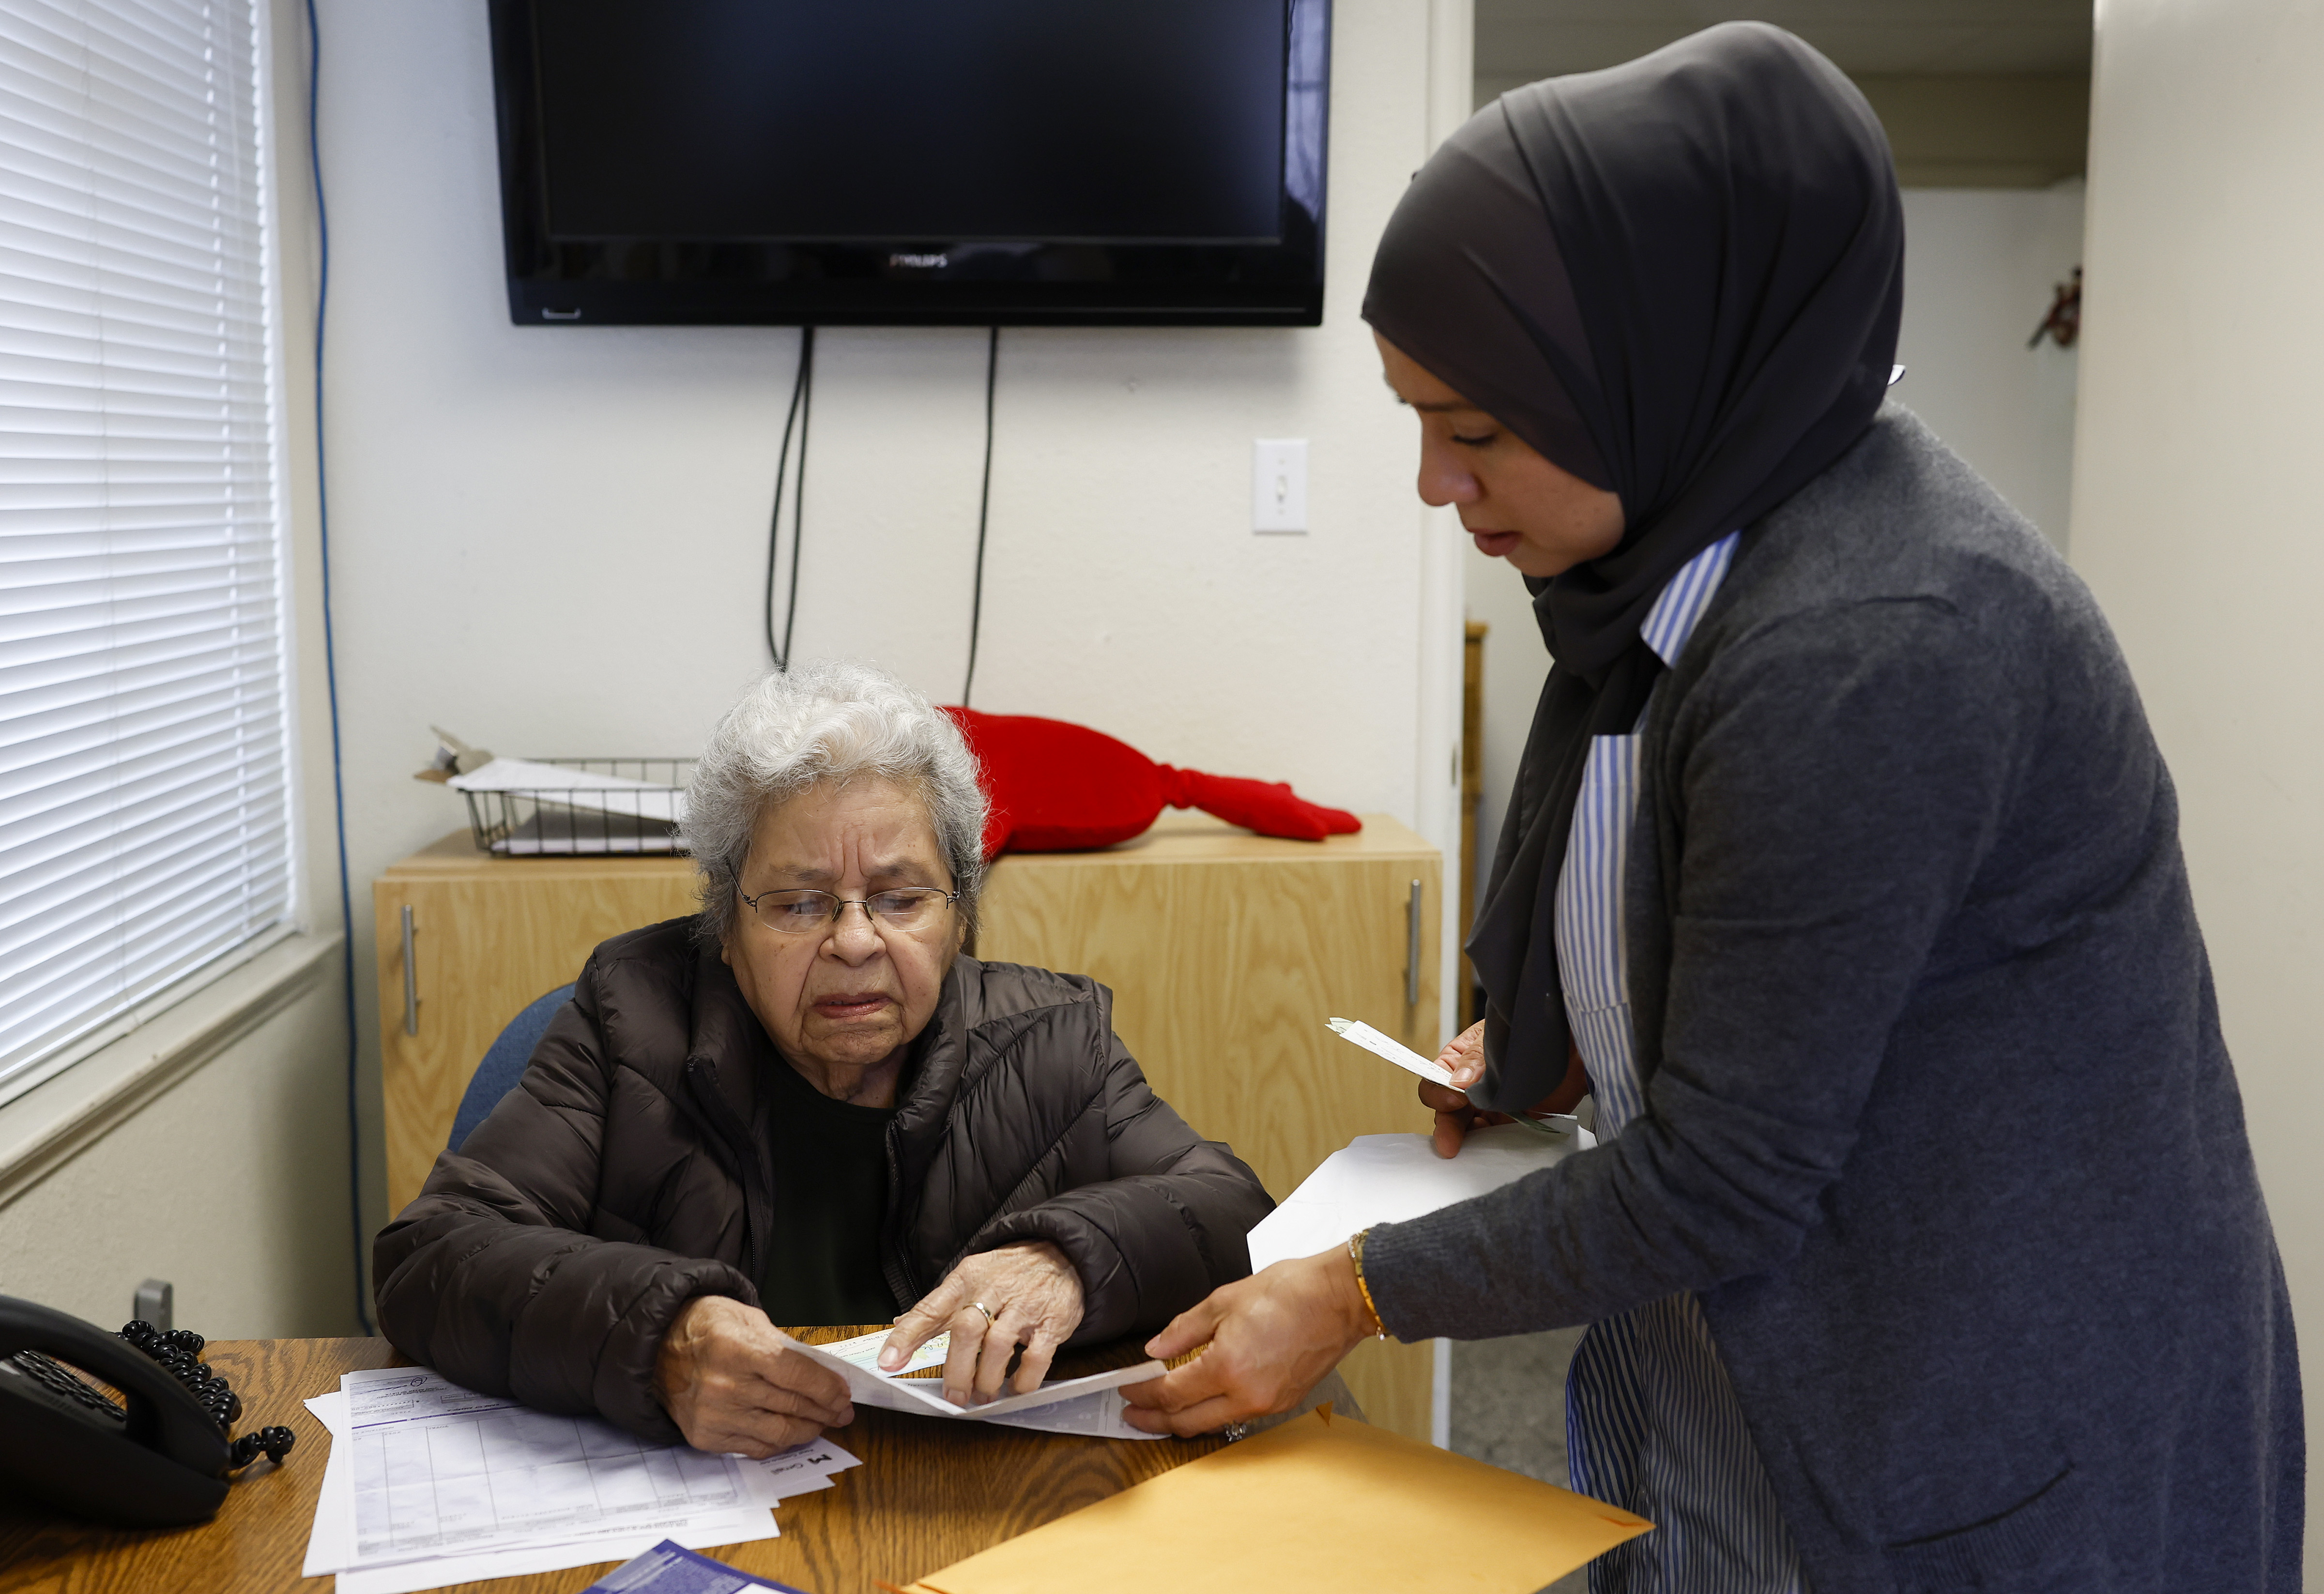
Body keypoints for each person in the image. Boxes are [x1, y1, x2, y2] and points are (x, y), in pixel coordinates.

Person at [1124, 23, 2301, 1593]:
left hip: (1969, 1419)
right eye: (1416, 419)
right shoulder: (1660, 564)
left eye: (1473, 432)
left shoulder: (1873, 640)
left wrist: (1354, 1290)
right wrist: (1550, 1043)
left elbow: (1728, 1175)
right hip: (1754, 1358)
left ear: (1651, 376)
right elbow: (1697, 941)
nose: (1432, 483)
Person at [375, 659, 1271, 1456]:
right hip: (712, 1504)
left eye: (900, 897)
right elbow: (432, 1255)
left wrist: (1068, 1258)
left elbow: (1238, 1212)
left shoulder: (1053, 1038)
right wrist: (662, 1336)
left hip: (970, 1504)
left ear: (959, 913)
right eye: (800, 903)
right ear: (726, 924)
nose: (854, 941)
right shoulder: (633, 1019)